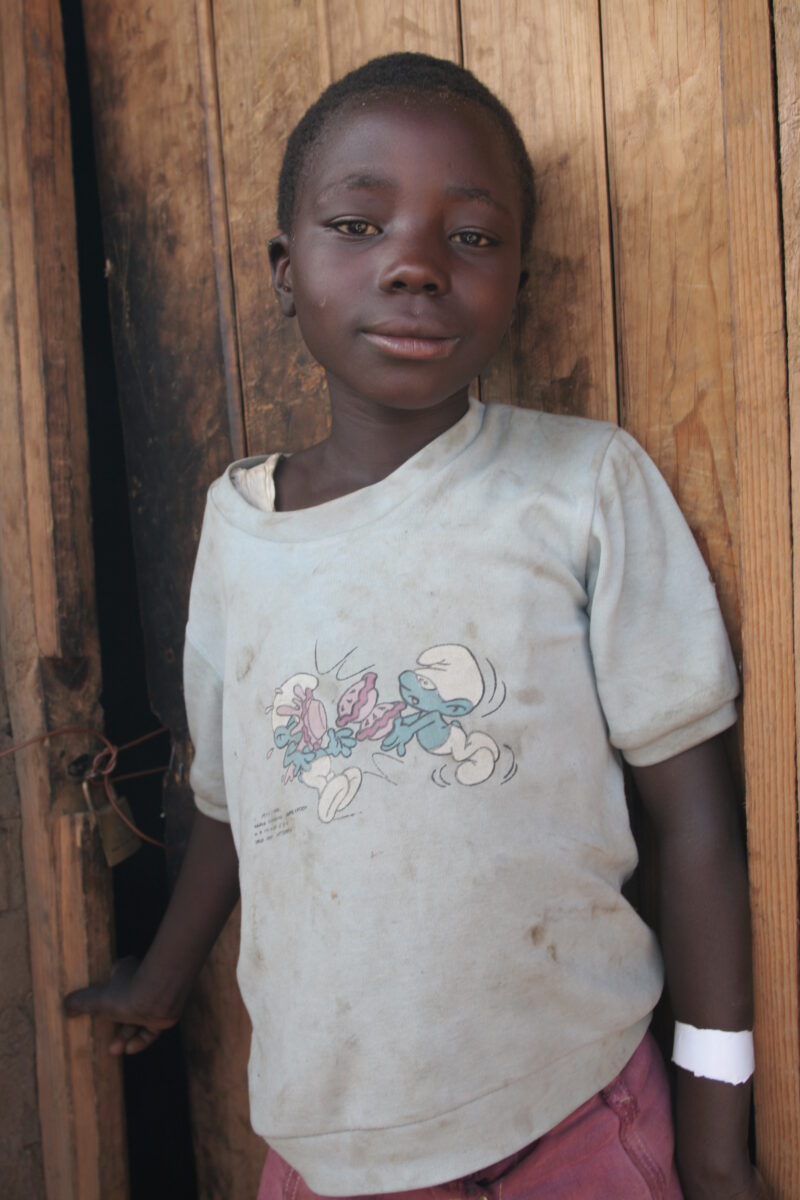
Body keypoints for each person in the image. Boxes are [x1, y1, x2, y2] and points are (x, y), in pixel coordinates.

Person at [66, 53, 767, 1200]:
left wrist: (713, 1136)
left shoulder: (578, 487)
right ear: (285, 274)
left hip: (577, 1123)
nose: (413, 266)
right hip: (328, 1152)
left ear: (518, 277)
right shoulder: (237, 530)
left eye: (472, 239)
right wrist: (161, 979)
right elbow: (229, 802)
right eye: (356, 223)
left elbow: (694, 824)